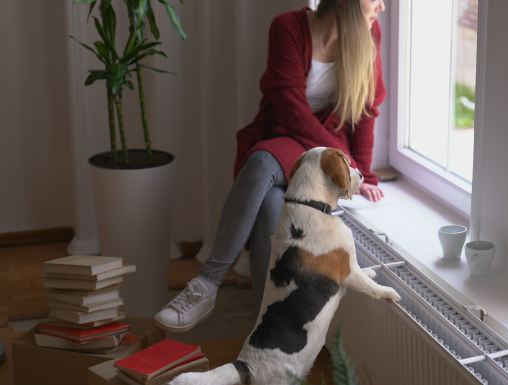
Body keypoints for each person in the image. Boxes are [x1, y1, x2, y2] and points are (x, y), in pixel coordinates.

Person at [155, 0, 387, 332]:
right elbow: (292, 112)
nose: (381, 6)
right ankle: (257, 325)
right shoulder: (288, 28)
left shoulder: (369, 33)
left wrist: (358, 170)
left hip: (332, 154)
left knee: (262, 162)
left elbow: (365, 109)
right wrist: (342, 160)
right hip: (289, 134)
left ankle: (208, 283)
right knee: (268, 201)